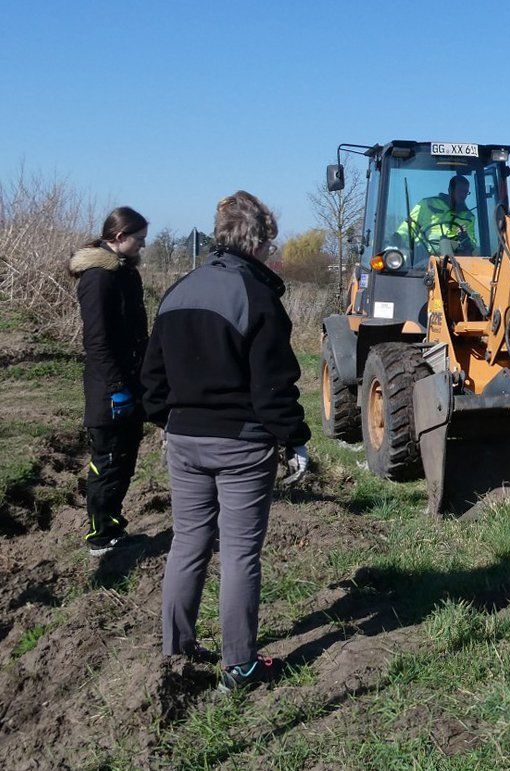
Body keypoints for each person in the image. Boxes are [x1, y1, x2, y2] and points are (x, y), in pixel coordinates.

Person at [141, 191, 311, 690]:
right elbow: (273, 387)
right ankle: (240, 666)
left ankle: (175, 650)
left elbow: (152, 380)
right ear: (257, 241)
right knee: (239, 553)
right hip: (242, 446)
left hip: (184, 441)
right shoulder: (256, 297)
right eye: (269, 242)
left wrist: (172, 422)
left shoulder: (178, 291)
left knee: (187, 542)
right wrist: (294, 439)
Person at [69, 207, 149, 557]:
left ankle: (113, 527)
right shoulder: (98, 279)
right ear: (119, 237)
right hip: (109, 390)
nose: (142, 246)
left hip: (130, 383)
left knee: (124, 461)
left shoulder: (124, 273)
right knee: (109, 462)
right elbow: (97, 342)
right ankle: (100, 536)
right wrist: (116, 387)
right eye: (139, 239)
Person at [394, 174, 477, 256]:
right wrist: (397, 238)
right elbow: (410, 225)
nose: (463, 195)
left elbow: (472, 243)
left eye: (465, 192)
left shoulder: (469, 217)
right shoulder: (427, 204)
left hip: (454, 257)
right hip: (423, 254)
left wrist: (465, 238)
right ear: (450, 190)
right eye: (459, 191)